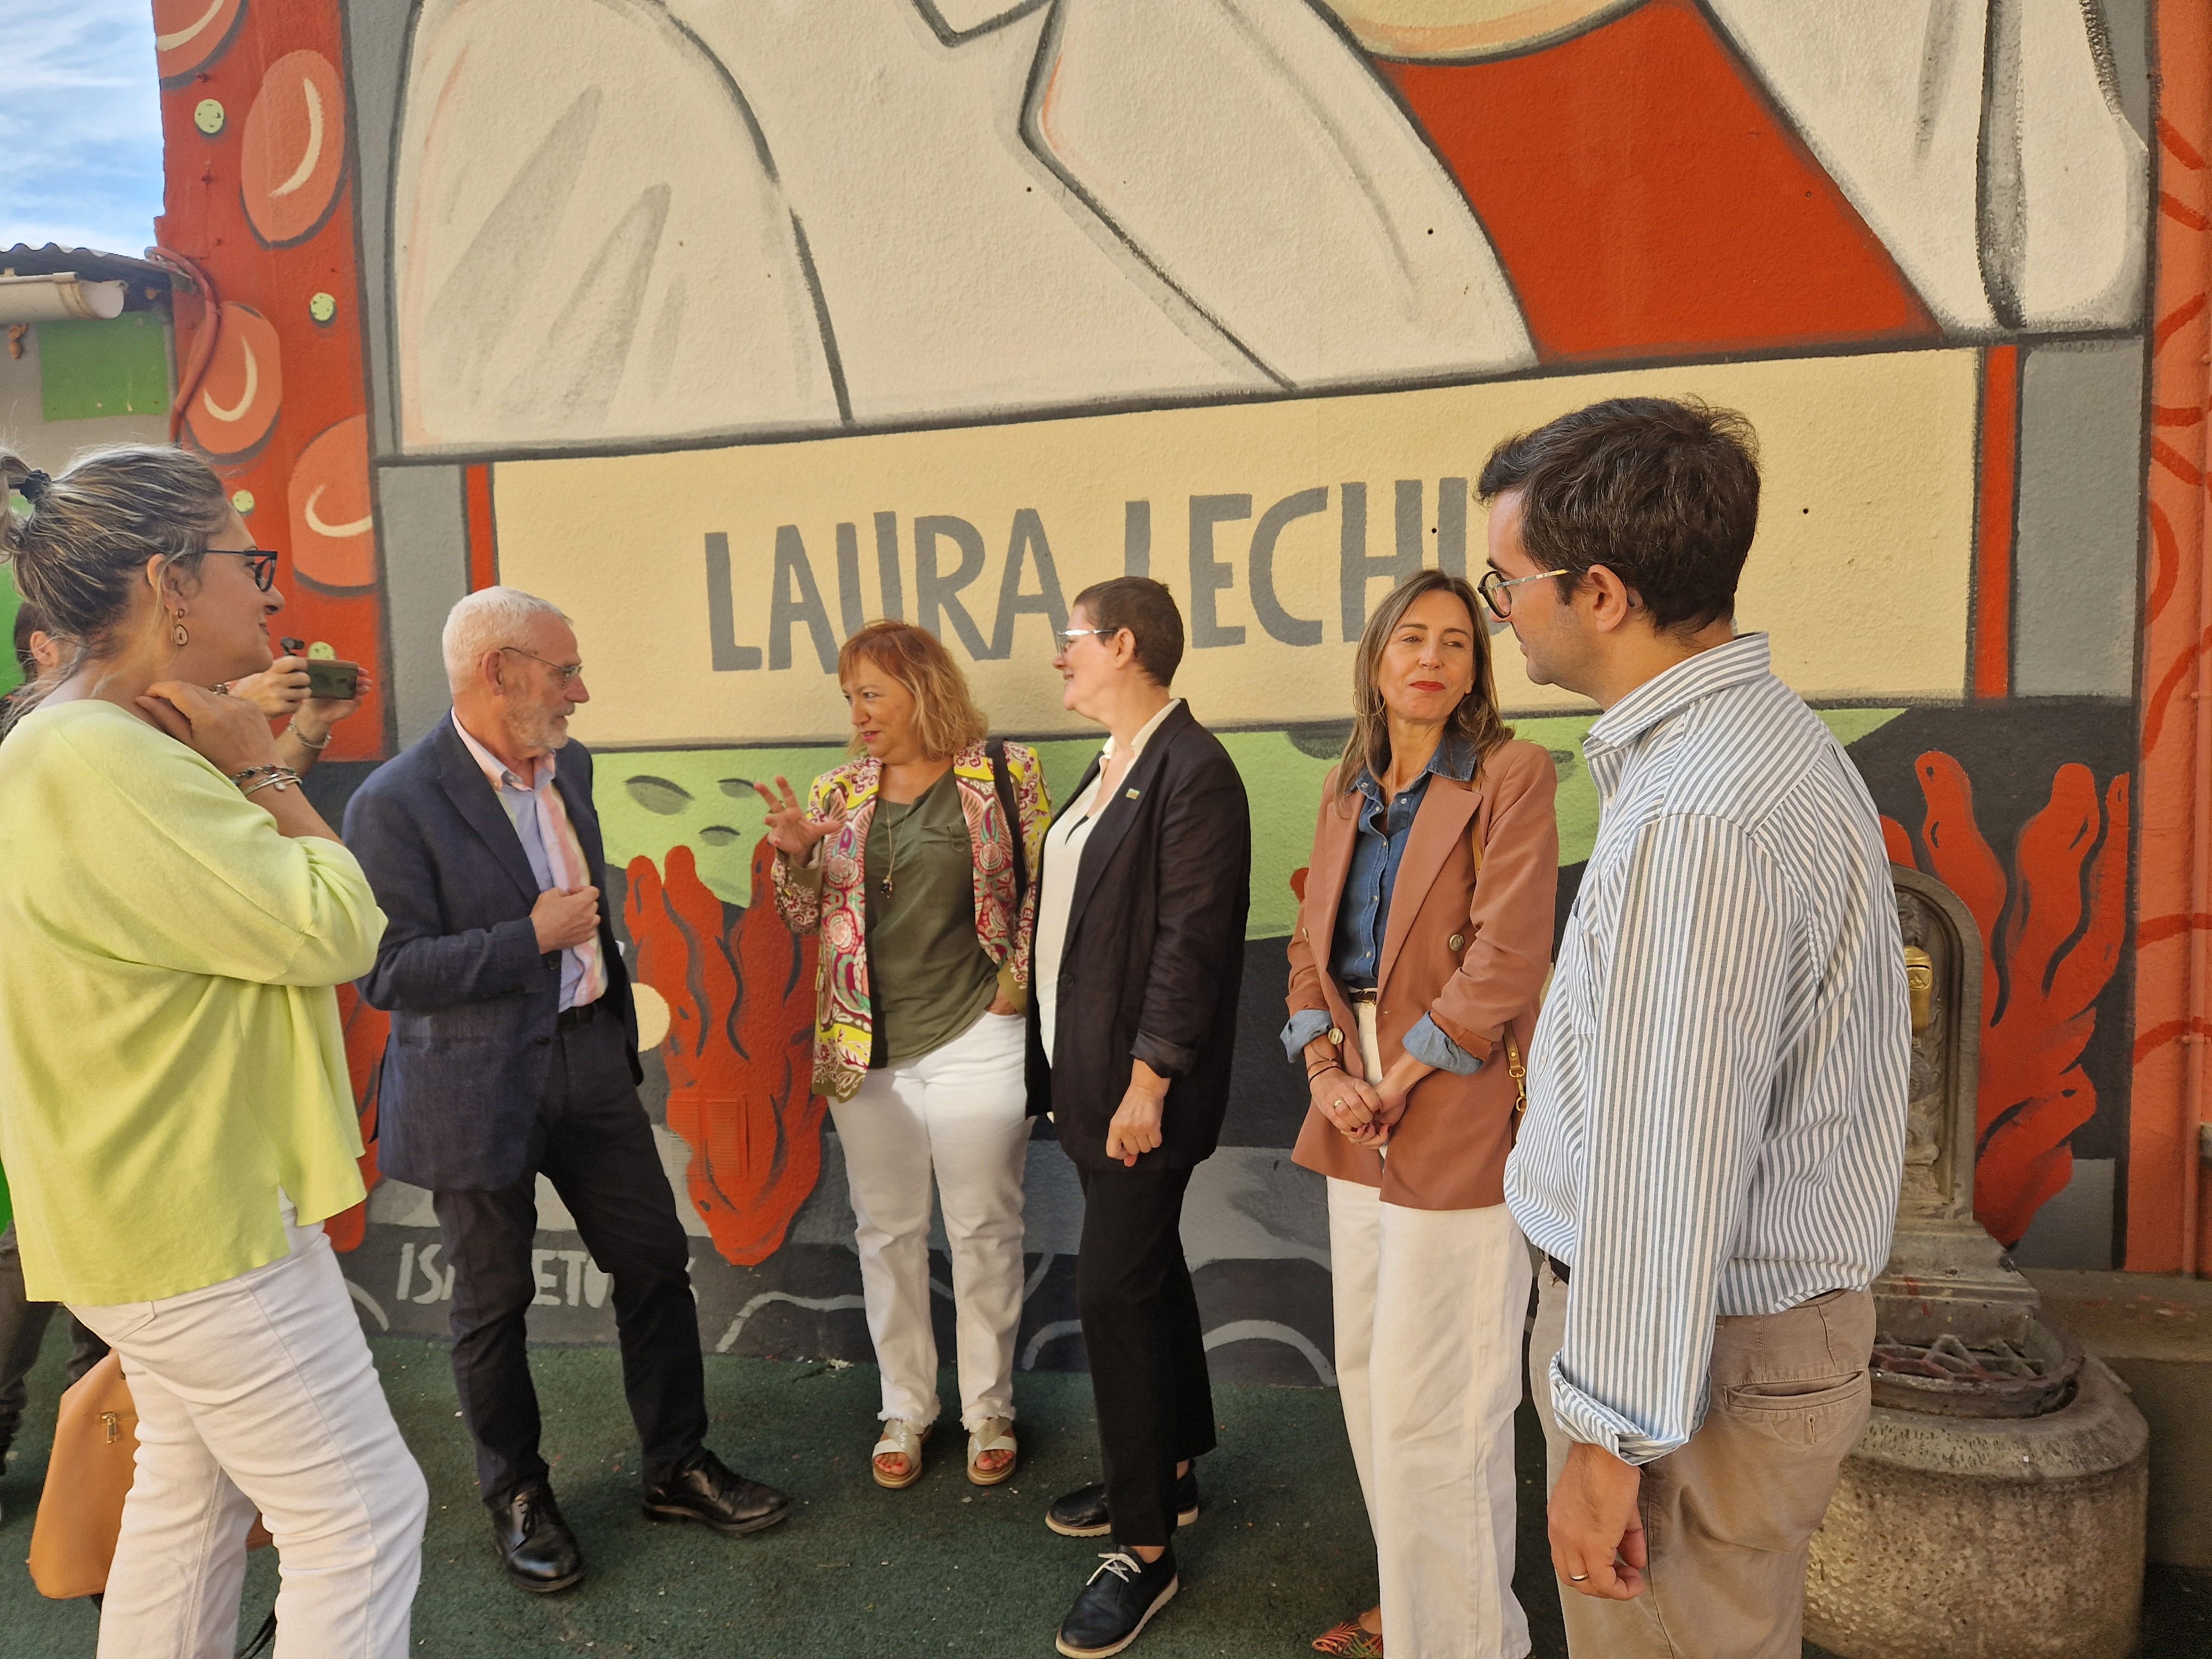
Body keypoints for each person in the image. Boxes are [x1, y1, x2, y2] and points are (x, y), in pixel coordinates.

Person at [1486, 399, 1910, 1657]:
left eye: (1504, 582)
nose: (1498, 607)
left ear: (1600, 593)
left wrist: (1608, 1440)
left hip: (1692, 1371)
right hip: (1720, 1353)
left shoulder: (1698, 816)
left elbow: (1665, 1159)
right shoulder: (1754, 747)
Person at [0, 445, 427, 1655]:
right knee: (362, 1516)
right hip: (193, 1218)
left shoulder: (75, 741)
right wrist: (255, 763)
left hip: (159, 1210)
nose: (272, 594)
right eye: (251, 562)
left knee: (189, 1505)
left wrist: (255, 760)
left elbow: (233, 918)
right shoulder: (101, 754)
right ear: (168, 583)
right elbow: (331, 925)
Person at [343, 586, 790, 1595]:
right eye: (564, 671)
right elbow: (388, 973)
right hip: (474, 1084)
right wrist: (527, 941)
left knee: (655, 1266)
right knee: (492, 1303)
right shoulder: (394, 802)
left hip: (590, 1061)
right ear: (499, 672)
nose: (582, 692)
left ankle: (676, 1467)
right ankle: (517, 1494)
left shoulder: (570, 766)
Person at [1285, 568, 1558, 1659]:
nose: (1432, 656)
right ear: (1376, 658)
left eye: (1455, 641)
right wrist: (1321, 1071)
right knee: (1367, 1382)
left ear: (1475, 669)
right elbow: (1307, 951)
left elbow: (1504, 959)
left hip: (1450, 1109)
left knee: (1441, 1410)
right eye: (1411, 637)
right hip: (1349, 1110)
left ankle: (1461, 1644)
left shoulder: (1511, 773)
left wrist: (1391, 1076)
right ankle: (1422, 1607)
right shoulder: (1347, 787)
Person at [759, 620, 1050, 1489]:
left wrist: (1015, 988)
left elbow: (1045, 885)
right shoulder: (836, 792)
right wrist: (795, 862)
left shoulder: (1003, 772)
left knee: (984, 1227)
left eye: (872, 692)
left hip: (978, 1031)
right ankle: (906, 1409)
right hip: (865, 1047)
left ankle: (989, 1405)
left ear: (923, 689)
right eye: (850, 696)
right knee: (888, 1232)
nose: (858, 712)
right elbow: (807, 921)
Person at [1029, 577, 1251, 1659]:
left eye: (1072, 641)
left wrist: (1148, 1081)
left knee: (1111, 1291)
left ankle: (1142, 1551)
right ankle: (1169, 1467)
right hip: (1094, 1082)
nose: (1059, 660)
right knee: (1147, 1273)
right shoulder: (1116, 761)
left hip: (1137, 1095)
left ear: (1122, 645)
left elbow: (1189, 942)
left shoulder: (1191, 771)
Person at [0, 602, 109, 1523]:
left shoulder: (91, 739)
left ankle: (98, 1491)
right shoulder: (41, 746)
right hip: (33, 1085)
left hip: (87, 1099)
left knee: (104, 1345)